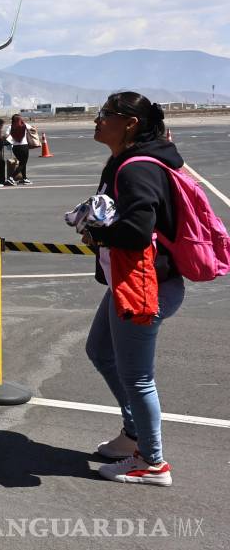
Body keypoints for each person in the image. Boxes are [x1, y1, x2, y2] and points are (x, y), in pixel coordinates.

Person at [84, 93, 184, 486]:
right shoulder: (125, 162)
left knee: (138, 376)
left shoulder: (135, 169)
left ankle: (151, 462)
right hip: (134, 282)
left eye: (105, 114)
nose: (97, 120)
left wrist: (95, 231)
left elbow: (138, 230)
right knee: (100, 350)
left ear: (129, 123)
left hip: (145, 287)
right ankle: (133, 435)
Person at [9, 114, 33, 185]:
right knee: (23, 163)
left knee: (22, 163)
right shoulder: (25, 125)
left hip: (15, 148)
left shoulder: (10, 127)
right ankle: (11, 177)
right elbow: (32, 128)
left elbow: (7, 135)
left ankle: (24, 178)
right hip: (24, 147)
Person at [0, 118, 13, 186]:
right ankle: (0, 180)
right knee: (0, 163)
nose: (2, 126)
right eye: (2, 125)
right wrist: (5, 137)